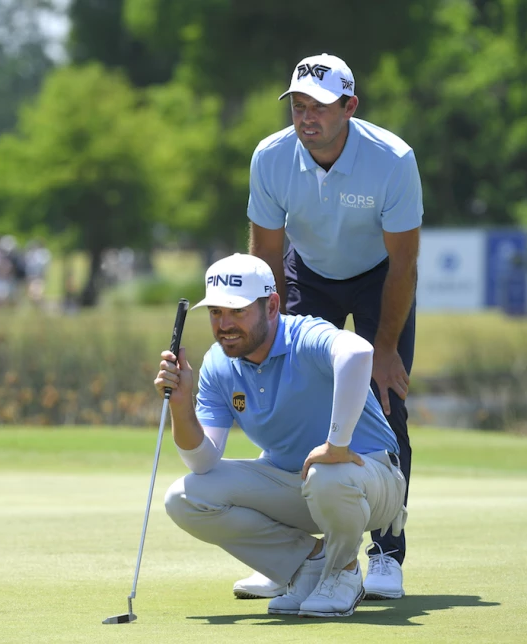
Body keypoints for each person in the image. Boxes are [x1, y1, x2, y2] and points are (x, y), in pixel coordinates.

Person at [245, 53, 422, 601]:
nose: (305, 118)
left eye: (319, 107)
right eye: (298, 106)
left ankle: (388, 550)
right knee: (293, 398)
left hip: (379, 279)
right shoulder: (271, 157)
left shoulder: (392, 159)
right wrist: (267, 333)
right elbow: (267, 254)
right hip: (308, 275)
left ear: (350, 107)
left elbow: (404, 266)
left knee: (383, 398)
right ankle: (298, 556)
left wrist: (385, 347)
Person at [155, 253, 407, 618]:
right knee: (184, 497)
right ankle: (309, 565)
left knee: (329, 474)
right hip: (297, 486)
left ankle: (344, 573)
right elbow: (203, 460)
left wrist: (337, 445)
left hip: (372, 480)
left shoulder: (304, 334)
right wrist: (181, 405)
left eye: (237, 311)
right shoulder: (217, 363)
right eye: (215, 313)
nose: (224, 324)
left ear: (272, 306)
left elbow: (357, 351)